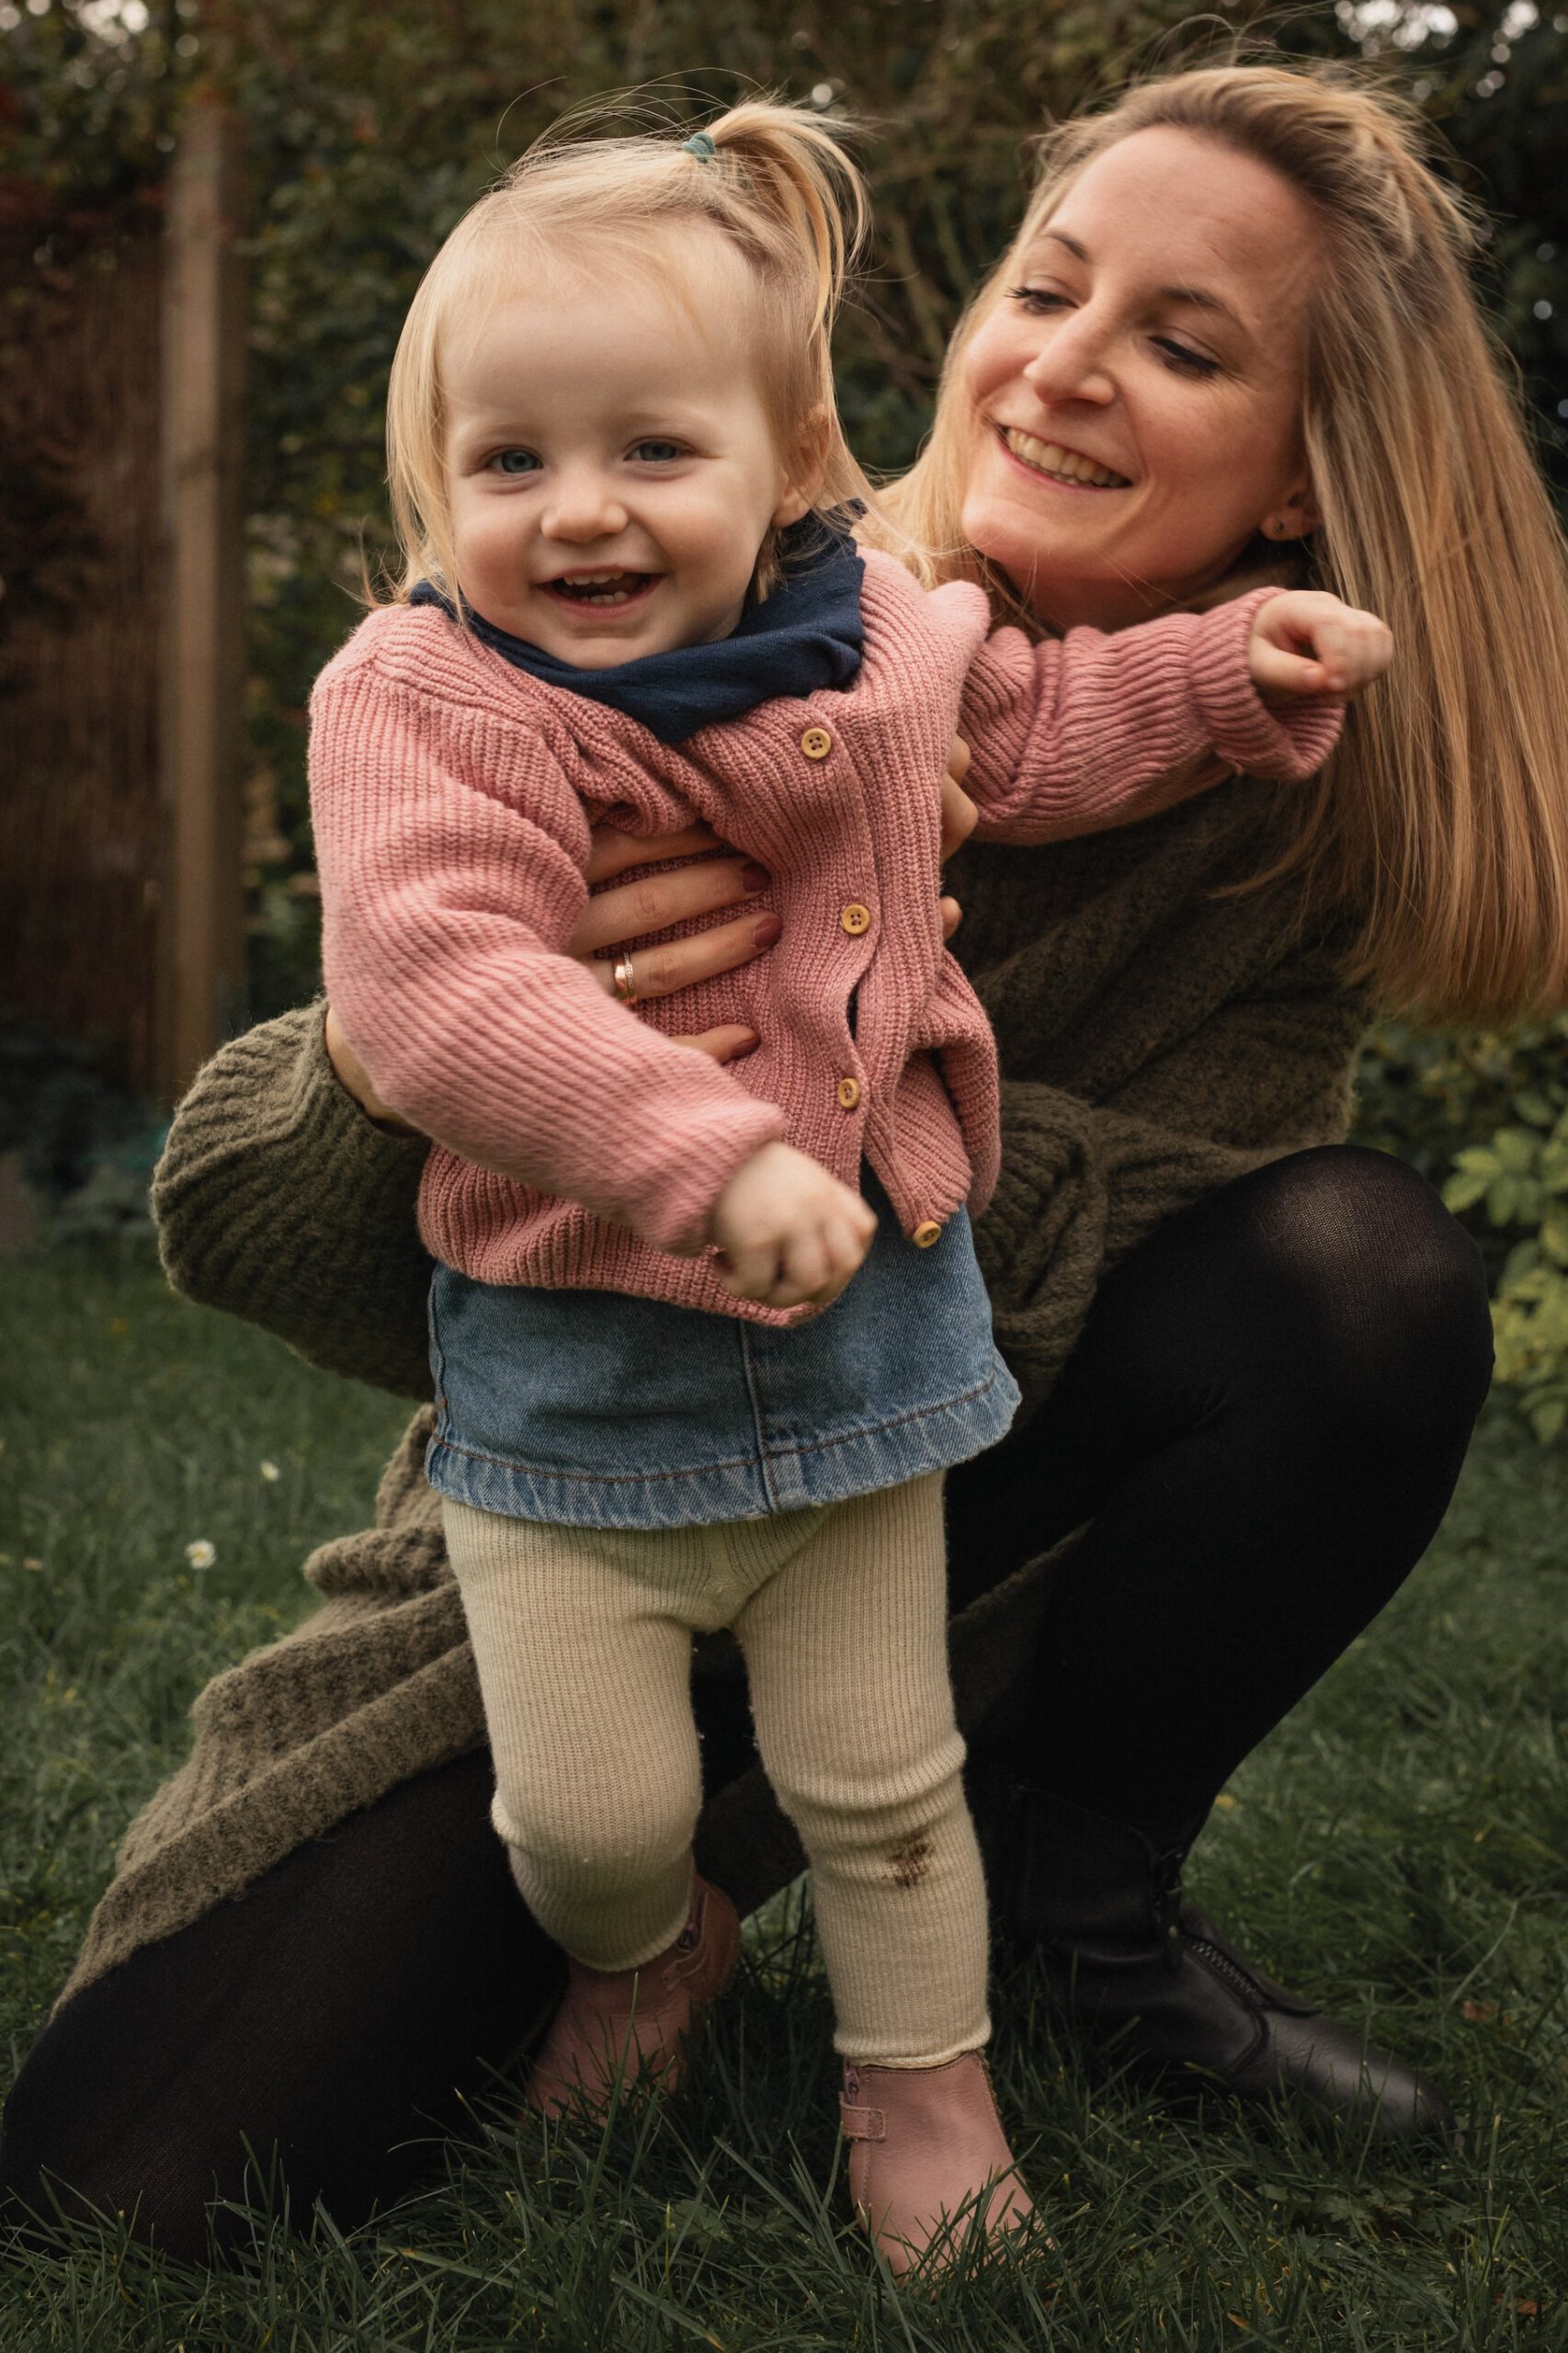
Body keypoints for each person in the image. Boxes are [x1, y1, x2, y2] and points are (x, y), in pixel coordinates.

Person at [4, 59, 1562, 2272]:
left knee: (1360, 1272)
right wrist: (429, 1049)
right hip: (566, 1490)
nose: (1065, 362)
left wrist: (862, 1015)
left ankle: (1070, 1913)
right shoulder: (620, 638)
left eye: (1183, 341)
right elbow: (264, 1241)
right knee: (132, 2185)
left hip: (906, 1460)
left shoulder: (1211, 782)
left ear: (1305, 478)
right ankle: (653, 1914)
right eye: (1049, 285)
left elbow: (1172, 1276)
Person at [306, 97, 1371, 2275]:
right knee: (588, 1819)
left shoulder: (875, 634)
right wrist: (698, 1153)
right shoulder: (430, 700)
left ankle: (929, 2092)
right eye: (508, 464)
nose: (577, 512)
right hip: (573, 1406)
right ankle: (644, 1949)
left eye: (648, 454)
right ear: (435, 488)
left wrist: (1222, 675)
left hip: (869, 1364)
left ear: (792, 456)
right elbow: (432, 985)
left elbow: (1042, 723)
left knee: (878, 1788)